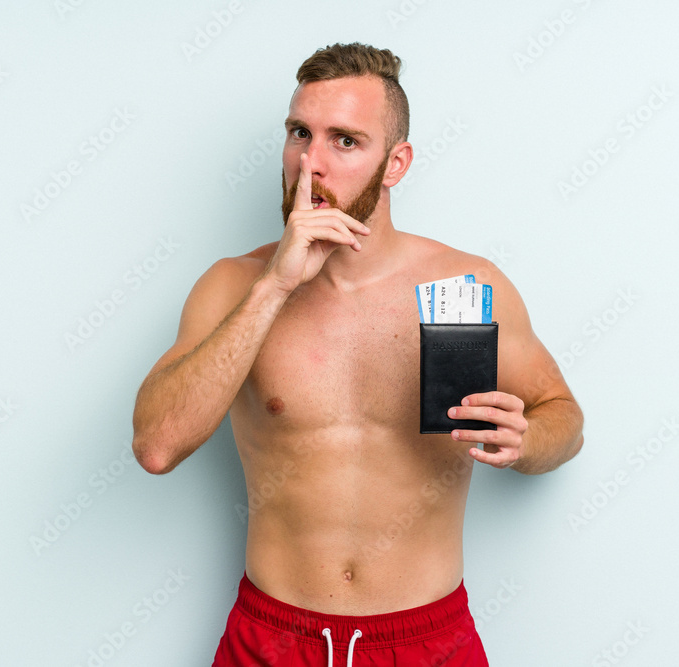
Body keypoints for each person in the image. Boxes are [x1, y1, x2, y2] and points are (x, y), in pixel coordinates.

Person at [132, 42, 584, 667]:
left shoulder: (463, 286)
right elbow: (157, 446)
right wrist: (276, 286)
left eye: (345, 140)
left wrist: (529, 438)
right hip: (274, 637)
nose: (310, 162)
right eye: (299, 133)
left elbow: (565, 416)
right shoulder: (235, 285)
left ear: (395, 163)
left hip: (427, 640)